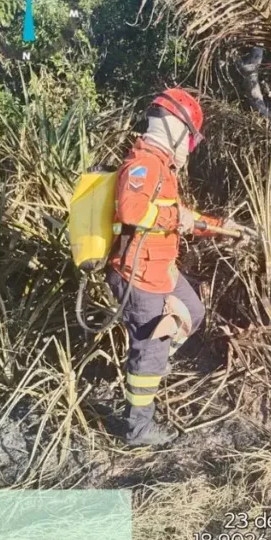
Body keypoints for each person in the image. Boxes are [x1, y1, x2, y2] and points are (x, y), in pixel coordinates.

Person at [107, 88, 245, 447]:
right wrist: (173, 217)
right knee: (150, 347)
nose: (190, 148)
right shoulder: (145, 163)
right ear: (175, 127)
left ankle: (149, 361)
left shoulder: (162, 168)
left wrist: (222, 228)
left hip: (160, 270)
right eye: (191, 139)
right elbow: (132, 212)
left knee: (193, 310)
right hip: (138, 275)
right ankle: (138, 429)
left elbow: (179, 218)